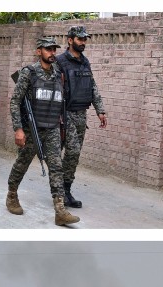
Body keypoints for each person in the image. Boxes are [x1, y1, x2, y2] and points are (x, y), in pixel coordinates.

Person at [6, 37, 80, 226]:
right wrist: (18, 129)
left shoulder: (58, 73)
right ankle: (12, 195)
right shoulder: (28, 73)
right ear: (39, 51)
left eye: (54, 49)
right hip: (32, 129)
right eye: (48, 50)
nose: (52, 53)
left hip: (52, 127)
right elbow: (15, 101)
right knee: (22, 163)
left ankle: (60, 210)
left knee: (56, 167)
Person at [55, 26, 108, 209]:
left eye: (85, 39)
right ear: (70, 40)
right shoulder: (60, 61)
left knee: (73, 155)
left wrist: (100, 110)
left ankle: (65, 189)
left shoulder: (85, 62)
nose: (83, 42)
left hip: (81, 115)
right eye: (80, 39)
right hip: (65, 114)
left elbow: (92, 86)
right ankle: (61, 191)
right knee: (72, 152)